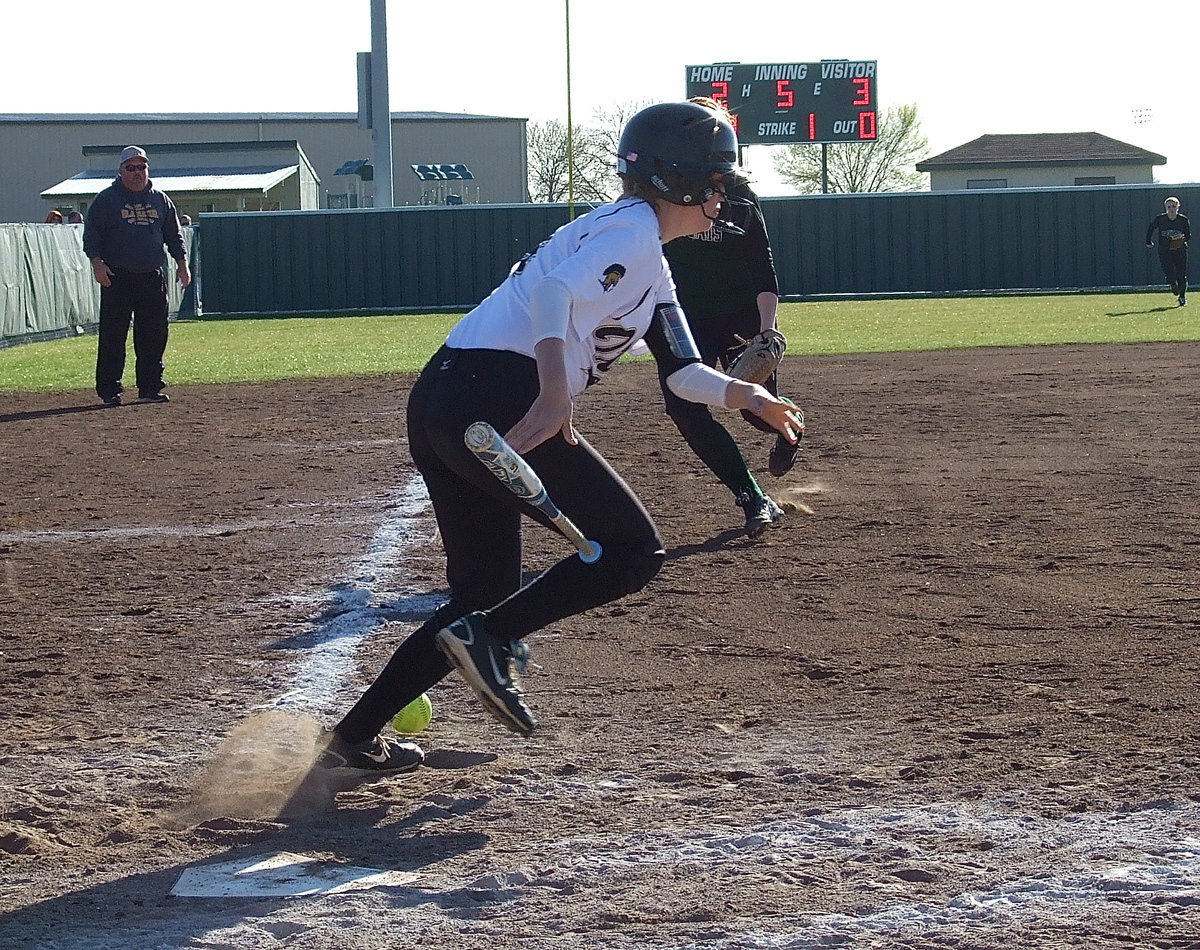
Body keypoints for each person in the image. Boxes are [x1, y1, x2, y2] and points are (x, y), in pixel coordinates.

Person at [317, 102, 804, 772]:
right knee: (633, 551)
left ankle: (350, 739)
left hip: (446, 392)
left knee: (482, 588)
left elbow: (684, 370)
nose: (724, 195)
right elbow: (552, 295)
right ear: (678, 178)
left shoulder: (646, 257)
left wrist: (746, 394)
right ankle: (488, 638)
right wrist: (554, 394)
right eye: (716, 180)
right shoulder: (634, 230)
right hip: (500, 392)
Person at [659, 96, 800, 538]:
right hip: (686, 318)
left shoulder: (740, 198)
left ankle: (790, 425)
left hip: (739, 315)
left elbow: (764, 266)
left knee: (755, 415)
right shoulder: (664, 200)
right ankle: (752, 497)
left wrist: (767, 329)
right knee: (684, 407)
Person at [83, 145, 190, 406]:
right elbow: (92, 235)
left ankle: (150, 388)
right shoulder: (107, 199)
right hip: (117, 276)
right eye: (130, 167)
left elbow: (173, 235)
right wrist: (97, 263)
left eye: (141, 166)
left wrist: (182, 263)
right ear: (120, 171)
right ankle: (110, 390)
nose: (137, 172)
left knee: (154, 334)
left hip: (151, 276)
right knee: (113, 335)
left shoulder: (160, 199)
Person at [1145, 196, 1190, 306]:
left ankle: (1182, 297)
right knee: (1169, 272)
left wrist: (1179, 239)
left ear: (1178, 207)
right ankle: (1172, 284)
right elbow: (1151, 228)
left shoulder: (1183, 220)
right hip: (1165, 250)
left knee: (1181, 274)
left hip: (1180, 250)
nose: (1171, 209)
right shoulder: (1160, 219)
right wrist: (1148, 241)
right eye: (1169, 206)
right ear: (1165, 207)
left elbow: (1188, 235)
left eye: (1174, 206)